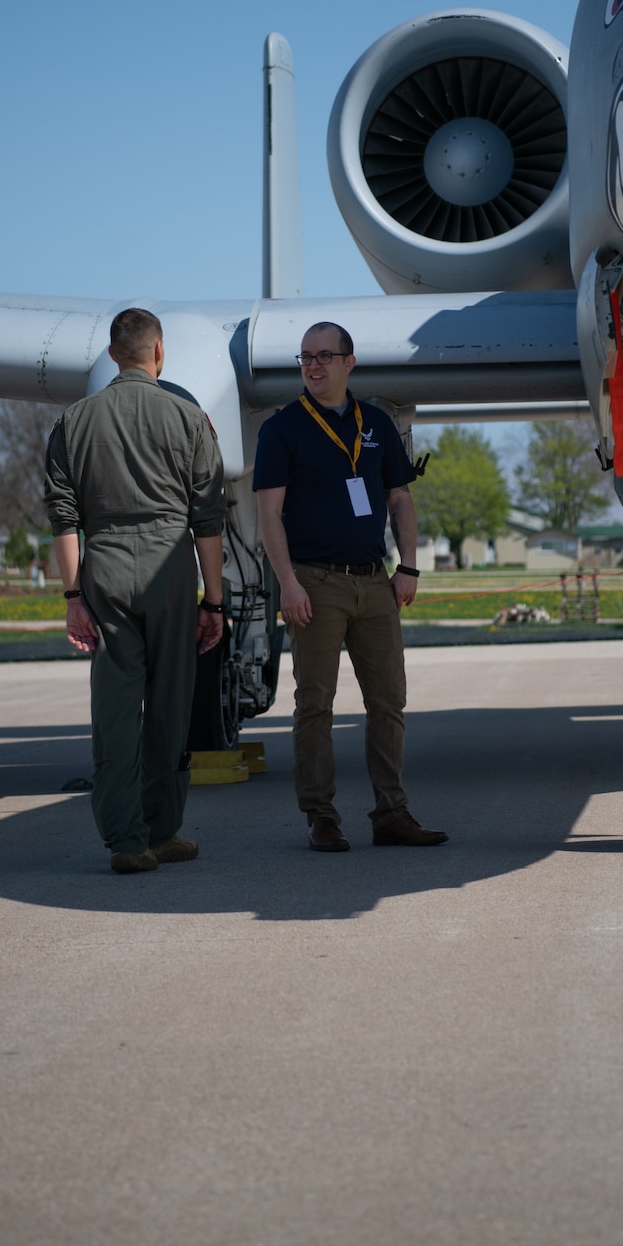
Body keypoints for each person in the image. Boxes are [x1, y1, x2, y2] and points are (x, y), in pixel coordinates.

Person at [44, 307, 227, 874]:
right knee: (170, 704)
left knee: (116, 711)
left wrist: (74, 598)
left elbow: (63, 516)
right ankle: (162, 826)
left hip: (105, 567)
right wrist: (213, 601)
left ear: (111, 354)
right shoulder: (189, 417)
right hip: (170, 567)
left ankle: (128, 837)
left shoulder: (74, 421)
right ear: (160, 352)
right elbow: (208, 519)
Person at [253, 320, 447, 853]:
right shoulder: (284, 428)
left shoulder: (377, 424)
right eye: (305, 358)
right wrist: (287, 583)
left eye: (324, 356)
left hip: (375, 583)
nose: (313, 366)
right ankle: (321, 817)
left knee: (389, 703)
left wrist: (408, 566)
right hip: (314, 583)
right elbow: (268, 511)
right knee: (315, 705)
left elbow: (399, 498)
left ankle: (392, 814)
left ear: (348, 362)